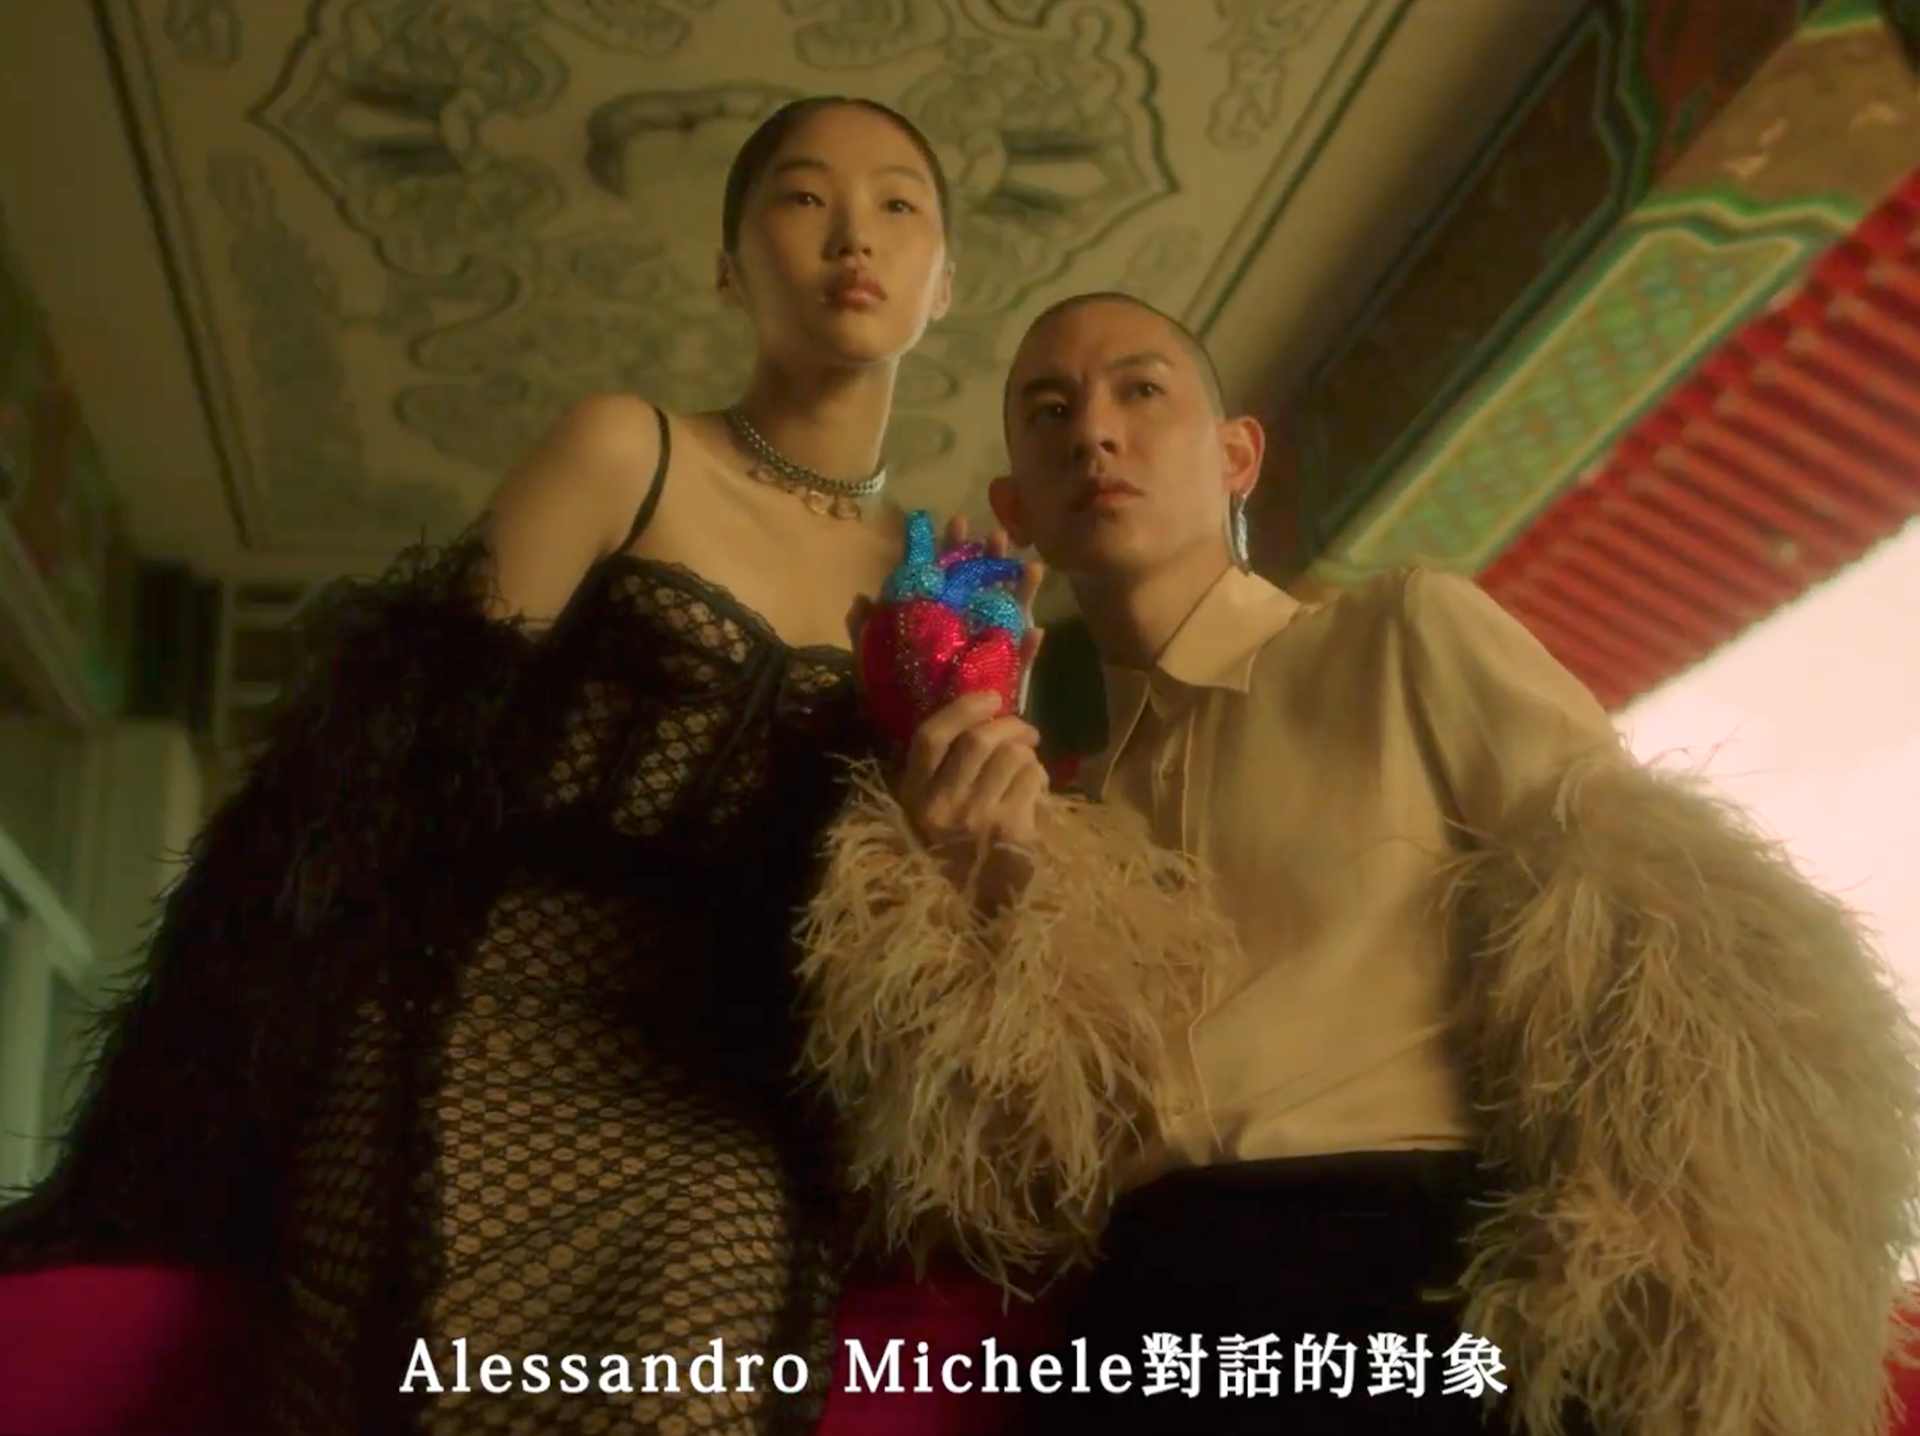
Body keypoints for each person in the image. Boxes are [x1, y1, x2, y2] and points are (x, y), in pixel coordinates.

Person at [0, 94, 1060, 1436]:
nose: (853, 234)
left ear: (945, 280)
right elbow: (388, 760)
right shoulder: (627, 447)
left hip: (719, 1102)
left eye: (898, 204)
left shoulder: (943, 581)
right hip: (474, 1033)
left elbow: (911, 914)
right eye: (802, 197)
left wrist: (976, 720)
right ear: (728, 265)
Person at [799, 290, 1920, 1436]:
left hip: (1407, 1290)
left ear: (1237, 456)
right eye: (1050, 412)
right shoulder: (1069, 813)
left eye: (1141, 391)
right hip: (1143, 1327)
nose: (1094, 431)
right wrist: (966, 902)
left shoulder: (1405, 635)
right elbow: (1012, 1191)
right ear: (1016, 508)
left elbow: (1669, 968)